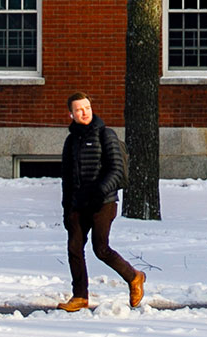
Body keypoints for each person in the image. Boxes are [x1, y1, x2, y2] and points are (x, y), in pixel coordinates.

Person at [57, 91, 146, 311]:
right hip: (78, 204)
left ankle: (134, 277)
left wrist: (100, 191)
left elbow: (117, 170)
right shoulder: (71, 142)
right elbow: (67, 178)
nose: (84, 112)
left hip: (103, 202)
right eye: (78, 109)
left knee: (101, 248)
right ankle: (80, 296)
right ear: (71, 114)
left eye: (86, 107)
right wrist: (67, 208)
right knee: (74, 247)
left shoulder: (105, 135)